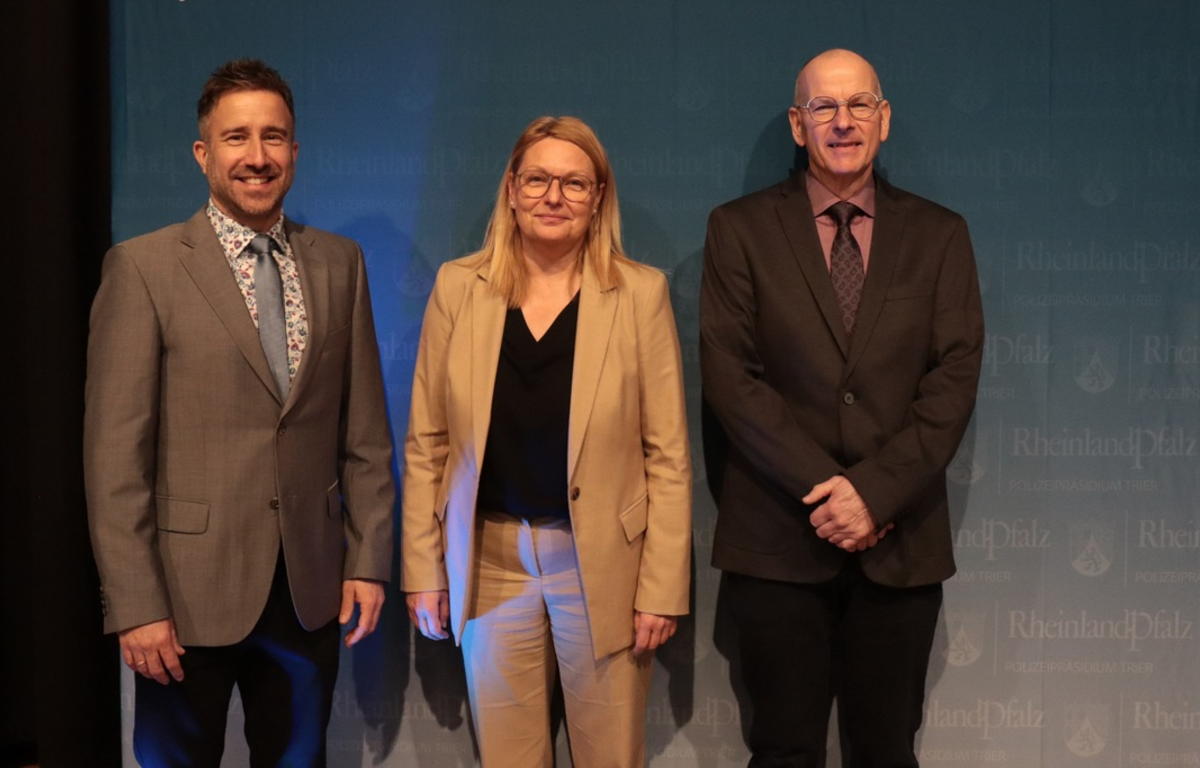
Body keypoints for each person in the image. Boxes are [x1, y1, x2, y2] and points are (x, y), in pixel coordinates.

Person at [83, 59, 395, 767]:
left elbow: (366, 437)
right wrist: (136, 604)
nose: (257, 156)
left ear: (295, 151)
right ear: (203, 154)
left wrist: (369, 560)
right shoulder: (143, 268)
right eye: (237, 138)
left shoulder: (340, 263)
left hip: (309, 591)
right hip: (183, 599)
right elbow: (113, 462)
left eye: (273, 137)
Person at [700, 49, 984, 767]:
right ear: (798, 126)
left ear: (883, 118)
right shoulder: (738, 229)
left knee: (886, 752)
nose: (843, 122)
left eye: (859, 104)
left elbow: (953, 380)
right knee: (783, 750)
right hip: (779, 537)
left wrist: (875, 493)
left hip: (899, 542)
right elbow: (732, 379)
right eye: (823, 107)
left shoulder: (940, 234)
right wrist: (832, 491)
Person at [402, 115, 692, 768]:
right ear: (511, 189)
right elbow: (427, 443)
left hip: (603, 568)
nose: (553, 197)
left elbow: (668, 457)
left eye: (573, 183)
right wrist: (424, 569)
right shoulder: (458, 287)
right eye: (536, 180)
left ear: (598, 197)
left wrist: (661, 588)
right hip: (490, 564)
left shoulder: (640, 294)